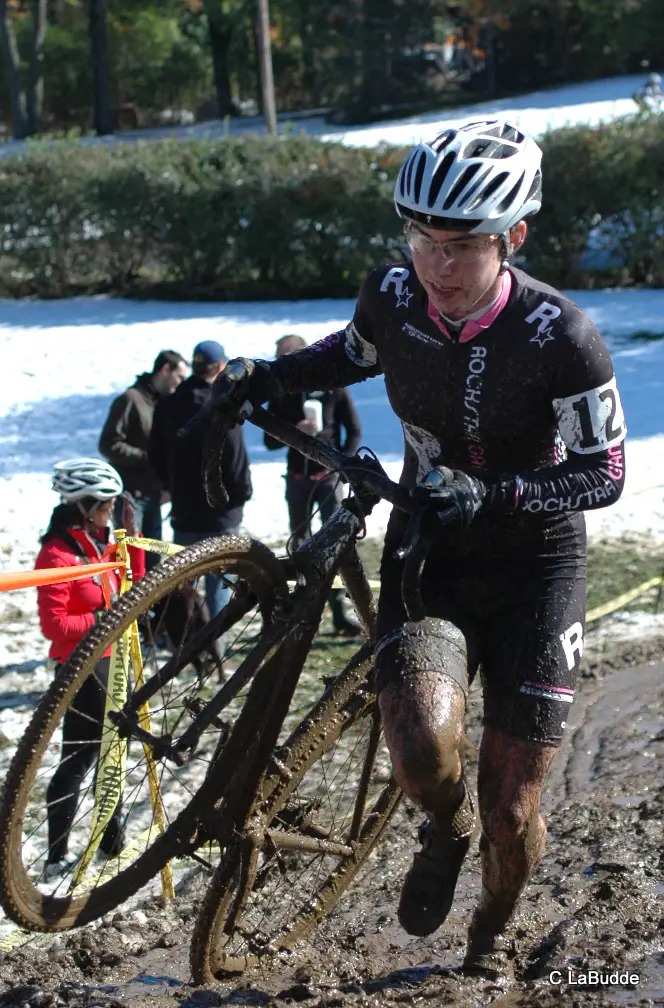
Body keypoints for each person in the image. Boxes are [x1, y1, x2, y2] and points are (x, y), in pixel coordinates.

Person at [199, 120, 627, 982]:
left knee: (514, 812)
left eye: (462, 244)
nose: (438, 264)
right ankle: (444, 825)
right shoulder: (391, 297)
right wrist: (272, 377)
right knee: (425, 755)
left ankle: (488, 941)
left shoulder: (562, 335)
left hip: (537, 568)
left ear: (514, 237)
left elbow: (605, 471)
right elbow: (349, 355)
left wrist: (495, 491)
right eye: (422, 239)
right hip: (431, 553)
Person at [35, 458, 146, 877]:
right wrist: (105, 620)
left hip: (112, 661)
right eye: (105, 506)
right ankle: (57, 854)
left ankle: (110, 843)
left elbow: (132, 583)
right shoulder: (57, 554)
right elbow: (55, 625)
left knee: (112, 756)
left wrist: (132, 540)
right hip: (82, 668)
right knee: (80, 760)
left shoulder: (98, 544)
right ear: (83, 506)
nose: (110, 513)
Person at [149, 340, 252, 640]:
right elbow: (235, 457)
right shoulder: (224, 403)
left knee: (185, 584)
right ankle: (216, 646)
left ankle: (185, 642)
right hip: (222, 512)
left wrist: (170, 486)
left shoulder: (167, 405)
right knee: (220, 586)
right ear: (221, 367)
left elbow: (153, 454)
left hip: (185, 509)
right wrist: (240, 496)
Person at [264, 333, 363, 635]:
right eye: (278, 357)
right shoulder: (281, 393)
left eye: (285, 356)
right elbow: (268, 441)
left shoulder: (332, 387)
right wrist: (294, 430)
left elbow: (354, 430)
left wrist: (344, 464)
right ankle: (305, 611)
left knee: (333, 543)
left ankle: (339, 611)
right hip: (296, 480)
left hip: (328, 478)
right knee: (300, 544)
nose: (281, 363)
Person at [99, 350, 188, 562]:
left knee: (154, 564)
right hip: (130, 498)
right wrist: (146, 457)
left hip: (154, 495)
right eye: (179, 377)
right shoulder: (130, 400)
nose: (181, 383)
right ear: (165, 370)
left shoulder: (165, 404)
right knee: (131, 562)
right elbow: (108, 443)